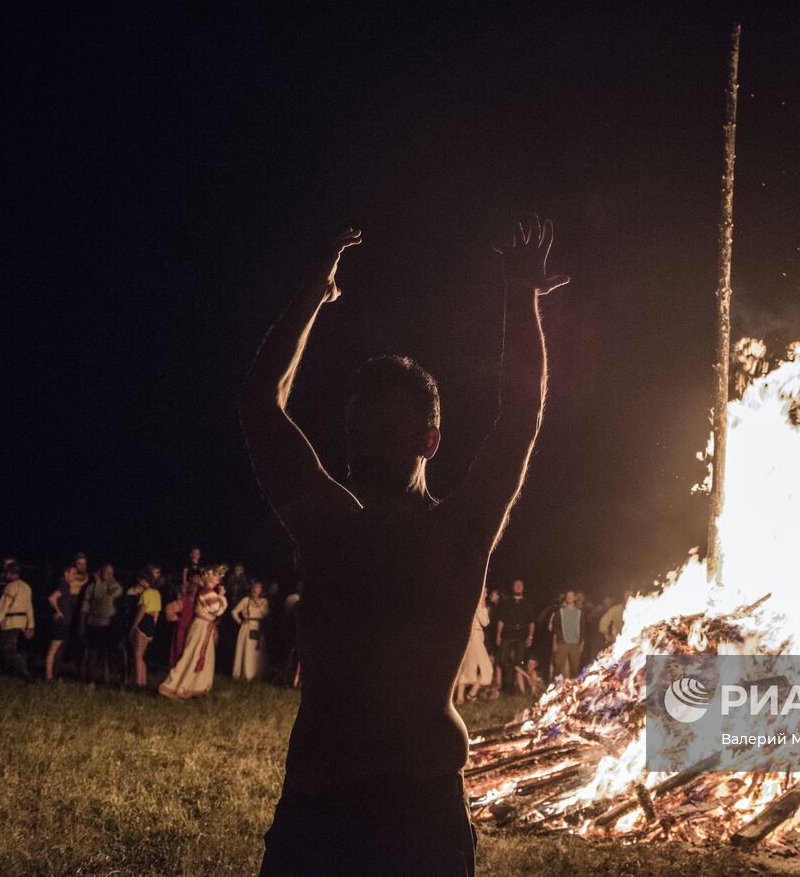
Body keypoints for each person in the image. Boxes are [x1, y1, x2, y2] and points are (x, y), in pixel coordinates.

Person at [240, 219, 567, 876]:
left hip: (420, 812)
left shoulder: (458, 528)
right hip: (316, 806)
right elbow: (259, 403)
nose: (368, 445)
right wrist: (314, 294)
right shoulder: (326, 520)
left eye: (388, 429)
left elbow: (520, 411)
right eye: (359, 429)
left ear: (429, 440)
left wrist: (518, 295)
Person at [159, 565, 228, 699]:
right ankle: (175, 686)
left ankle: (195, 687)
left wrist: (219, 597)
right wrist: (222, 597)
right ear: (208, 577)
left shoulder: (209, 592)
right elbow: (217, 609)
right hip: (200, 627)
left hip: (205, 626)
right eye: (215, 574)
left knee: (203, 657)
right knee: (192, 655)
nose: (218, 577)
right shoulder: (207, 591)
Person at [0, 561, 34, 679]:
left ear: (10, 573)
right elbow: (29, 607)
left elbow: (2, 607)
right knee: (5, 648)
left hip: (11, 622)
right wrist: (30, 625)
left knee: (7, 649)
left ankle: (24, 673)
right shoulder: (26, 587)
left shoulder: (10, 587)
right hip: (22, 621)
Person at [45, 556, 88, 680]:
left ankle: (51, 675)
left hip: (65, 621)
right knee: (53, 649)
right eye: (72, 573)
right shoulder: (63, 585)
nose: (74, 576)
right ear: (66, 573)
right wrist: (58, 611)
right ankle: (49, 676)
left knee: (56, 648)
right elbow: (52, 598)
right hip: (61, 622)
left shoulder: (66, 585)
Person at [80, 562, 123, 683]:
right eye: (107, 572)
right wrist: (82, 624)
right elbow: (85, 606)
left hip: (108, 625)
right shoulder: (91, 587)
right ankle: (90, 678)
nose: (109, 575)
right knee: (92, 652)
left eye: (111, 573)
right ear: (100, 572)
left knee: (106, 653)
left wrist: (100, 582)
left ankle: (106, 679)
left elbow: (106, 597)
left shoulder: (116, 587)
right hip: (93, 623)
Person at [496, 578, 536, 687]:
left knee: (517, 662)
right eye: (516, 585)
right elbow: (501, 620)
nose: (518, 587)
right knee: (503, 661)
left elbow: (531, 622)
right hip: (507, 636)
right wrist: (498, 635)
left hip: (522, 637)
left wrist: (530, 637)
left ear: (523, 588)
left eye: (520, 585)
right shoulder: (506, 603)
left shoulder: (528, 603)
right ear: (513, 587)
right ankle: (503, 683)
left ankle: (512, 686)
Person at [456, 589, 493, 704]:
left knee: (469, 668)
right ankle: (469, 694)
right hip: (474, 637)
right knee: (487, 669)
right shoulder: (477, 604)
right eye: (485, 592)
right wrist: (482, 604)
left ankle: (461, 698)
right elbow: (485, 621)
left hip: (473, 638)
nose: (486, 594)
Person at [130, 566, 163, 687]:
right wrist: (153, 628)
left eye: (140, 580)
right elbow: (157, 614)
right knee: (141, 656)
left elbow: (141, 611)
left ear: (145, 580)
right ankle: (143, 682)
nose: (139, 582)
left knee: (137, 655)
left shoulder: (146, 593)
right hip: (150, 624)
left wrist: (134, 626)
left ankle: (138, 682)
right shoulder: (157, 593)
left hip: (143, 622)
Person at [231, 580, 270, 682]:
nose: (257, 589)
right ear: (252, 588)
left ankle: (256, 674)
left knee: (256, 651)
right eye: (256, 587)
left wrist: (257, 603)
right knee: (247, 649)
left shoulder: (264, 601)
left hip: (258, 626)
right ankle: (245, 673)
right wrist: (240, 621)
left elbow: (265, 613)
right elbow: (234, 611)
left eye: (259, 587)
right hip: (247, 626)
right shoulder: (246, 600)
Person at [550, 590, 585, 681]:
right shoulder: (560, 612)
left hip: (575, 643)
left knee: (575, 668)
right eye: (568, 595)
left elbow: (583, 629)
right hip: (562, 642)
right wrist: (555, 642)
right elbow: (555, 628)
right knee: (558, 666)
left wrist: (582, 644)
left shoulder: (579, 613)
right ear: (565, 597)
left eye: (571, 595)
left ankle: (573, 689)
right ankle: (555, 687)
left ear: (575, 598)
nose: (569, 597)